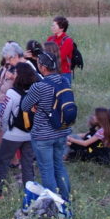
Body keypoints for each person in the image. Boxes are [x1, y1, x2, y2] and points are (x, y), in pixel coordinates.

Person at [20, 52, 72, 203]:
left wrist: (36, 105)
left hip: (43, 135)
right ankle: (66, 201)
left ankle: (54, 205)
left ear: (42, 67)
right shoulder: (64, 81)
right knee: (59, 166)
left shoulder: (39, 86)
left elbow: (25, 105)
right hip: (62, 130)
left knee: (47, 170)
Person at [0, 59, 38, 198]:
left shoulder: (12, 93)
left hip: (13, 134)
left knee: (2, 162)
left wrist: (5, 130)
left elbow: (4, 114)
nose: (13, 75)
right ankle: (29, 194)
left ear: (20, 75)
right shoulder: (36, 91)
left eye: (15, 73)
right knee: (28, 164)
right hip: (30, 134)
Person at [47, 16, 76, 84]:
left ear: (62, 28)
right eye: (52, 26)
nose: (52, 27)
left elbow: (61, 57)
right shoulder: (50, 39)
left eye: (54, 26)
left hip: (63, 73)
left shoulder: (68, 41)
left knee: (64, 94)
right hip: (51, 72)